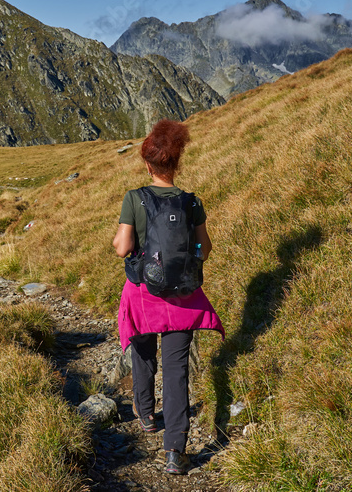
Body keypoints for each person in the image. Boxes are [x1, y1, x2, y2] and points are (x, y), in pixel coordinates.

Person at [112, 119, 225, 476]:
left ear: (148, 164)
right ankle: (175, 449)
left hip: (143, 294)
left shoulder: (134, 199)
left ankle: (146, 415)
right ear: (177, 162)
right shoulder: (192, 203)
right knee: (176, 371)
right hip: (182, 298)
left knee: (143, 351)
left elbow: (122, 248)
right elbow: (204, 250)